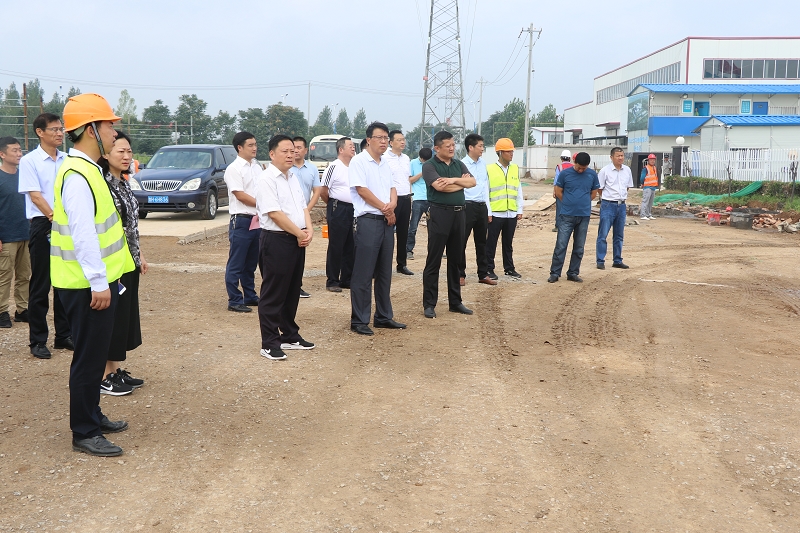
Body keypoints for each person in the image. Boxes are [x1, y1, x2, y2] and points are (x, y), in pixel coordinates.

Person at [53, 93, 135, 456]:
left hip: (97, 283)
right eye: (108, 126)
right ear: (90, 130)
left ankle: (93, 414)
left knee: (96, 351)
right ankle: (84, 431)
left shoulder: (89, 168)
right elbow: (84, 235)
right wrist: (99, 283)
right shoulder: (77, 175)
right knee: (88, 358)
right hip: (85, 286)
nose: (114, 133)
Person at [255, 135, 316, 360]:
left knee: (292, 290)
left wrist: (308, 230)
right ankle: (269, 342)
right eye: (285, 151)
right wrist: (300, 232)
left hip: (297, 239)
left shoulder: (292, 178)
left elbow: (303, 207)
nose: (291, 155)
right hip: (277, 239)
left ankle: (289, 335)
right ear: (272, 154)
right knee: (274, 292)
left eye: (293, 151)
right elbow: (274, 213)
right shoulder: (267, 179)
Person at [18, 113, 72, 359]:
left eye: (61, 129)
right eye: (54, 129)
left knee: (64, 281)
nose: (59, 133)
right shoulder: (30, 161)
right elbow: (35, 195)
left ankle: (64, 335)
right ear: (40, 132)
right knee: (41, 283)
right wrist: (53, 217)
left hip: (67, 224)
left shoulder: (67, 159)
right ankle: (38, 340)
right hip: (44, 223)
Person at [98, 131, 147, 396]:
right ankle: (104, 375)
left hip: (128, 261)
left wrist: (140, 256)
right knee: (110, 319)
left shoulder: (124, 183)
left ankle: (115, 370)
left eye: (129, 151)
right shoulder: (102, 185)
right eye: (121, 151)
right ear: (106, 153)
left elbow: (131, 227)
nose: (127, 156)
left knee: (123, 319)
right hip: (112, 263)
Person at [349, 122, 406, 335]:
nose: (384, 141)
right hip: (368, 221)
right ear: (369, 139)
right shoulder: (359, 161)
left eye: (385, 138)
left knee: (384, 272)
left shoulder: (385, 163)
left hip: (385, 222)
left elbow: (392, 188)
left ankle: (383, 316)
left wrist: (391, 206)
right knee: (363, 273)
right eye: (380, 137)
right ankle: (359, 320)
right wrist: (385, 208)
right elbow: (361, 190)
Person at [422, 130, 476, 318]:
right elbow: (438, 186)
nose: (452, 148)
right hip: (439, 214)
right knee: (434, 260)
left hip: (459, 215)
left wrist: (453, 180)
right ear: (437, 148)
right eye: (448, 146)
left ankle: (455, 302)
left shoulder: (458, 164)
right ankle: (429, 304)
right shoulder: (429, 166)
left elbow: (473, 182)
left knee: (455, 259)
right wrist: (462, 183)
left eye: (453, 144)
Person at [223, 131, 261, 313]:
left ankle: (250, 296)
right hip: (242, 220)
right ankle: (235, 300)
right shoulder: (234, 169)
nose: (255, 148)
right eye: (250, 145)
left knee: (251, 262)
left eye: (255, 144)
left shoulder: (257, 166)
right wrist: (264, 203)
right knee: (237, 263)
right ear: (240, 148)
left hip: (257, 220)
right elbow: (240, 195)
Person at [547, 152, 600, 284]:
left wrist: (582, 203)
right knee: (561, 245)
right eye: (579, 167)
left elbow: (594, 193)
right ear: (574, 162)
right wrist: (568, 202)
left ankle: (573, 272)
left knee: (579, 247)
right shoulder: (565, 174)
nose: (581, 170)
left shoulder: (592, 175)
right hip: (567, 215)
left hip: (583, 216)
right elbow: (558, 191)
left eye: (584, 168)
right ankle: (555, 273)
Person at [0, 137, 30, 329]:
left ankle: (22, 309)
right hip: (7, 236)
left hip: (26, 234)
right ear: (2, 154)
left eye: (20, 150)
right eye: (14, 150)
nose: (19, 154)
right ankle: (2, 311)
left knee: (25, 275)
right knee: (4, 275)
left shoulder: (25, 176)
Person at [459, 133, 495, 286]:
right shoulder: (461, 164)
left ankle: (483, 273)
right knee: (462, 241)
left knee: (482, 242)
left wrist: (489, 209)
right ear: (470, 147)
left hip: (481, 207)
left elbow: (485, 187)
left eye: (482, 145)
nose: (482, 149)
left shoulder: (483, 164)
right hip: (467, 206)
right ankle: (460, 274)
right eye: (480, 146)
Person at [321, 136, 356, 293]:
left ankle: (346, 279)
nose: (353, 148)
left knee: (351, 244)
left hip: (353, 209)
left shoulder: (354, 167)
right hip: (337, 208)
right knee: (336, 244)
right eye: (350, 146)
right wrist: (334, 204)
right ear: (341, 149)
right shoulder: (333, 167)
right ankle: (332, 280)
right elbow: (324, 191)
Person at [485, 138, 524, 279]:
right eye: (508, 151)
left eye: (512, 151)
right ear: (500, 152)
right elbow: (486, 192)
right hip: (496, 213)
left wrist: (519, 209)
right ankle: (489, 269)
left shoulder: (515, 168)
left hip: (511, 213)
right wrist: (488, 212)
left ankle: (509, 268)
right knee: (491, 243)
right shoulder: (489, 169)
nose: (511, 154)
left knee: (508, 243)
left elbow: (518, 189)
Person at [292, 136, 321, 298]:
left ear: (305, 150)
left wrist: (307, 210)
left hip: (304, 215)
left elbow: (317, 191)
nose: (295, 150)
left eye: (298, 147)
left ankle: (298, 285)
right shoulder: (286, 169)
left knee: (300, 250)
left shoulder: (312, 169)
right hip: (288, 216)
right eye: (293, 147)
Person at [596, 147, 632, 270]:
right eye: (618, 156)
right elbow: (599, 188)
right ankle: (600, 260)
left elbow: (627, 187)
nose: (620, 158)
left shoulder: (627, 170)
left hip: (621, 205)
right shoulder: (604, 171)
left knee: (619, 235)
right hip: (608, 205)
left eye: (622, 155)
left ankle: (617, 260)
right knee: (603, 234)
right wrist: (608, 198)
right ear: (611, 157)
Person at [406, 147, 431, 261]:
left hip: (431, 198)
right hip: (418, 198)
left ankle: (435, 251)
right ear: (420, 157)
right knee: (413, 226)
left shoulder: (432, 163)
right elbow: (410, 180)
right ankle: (409, 250)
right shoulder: (412, 163)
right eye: (423, 160)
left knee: (435, 227)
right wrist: (422, 173)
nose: (425, 162)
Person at [552, 150, 573, 232]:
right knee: (571, 208)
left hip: (561, 190)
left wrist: (555, 191)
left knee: (560, 208)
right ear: (569, 158)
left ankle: (558, 226)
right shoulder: (573, 166)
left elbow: (556, 181)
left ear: (561, 158)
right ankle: (570, 226)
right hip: (571, 191)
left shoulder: (559, 167)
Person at [640, 154, 659, 220]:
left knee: (650, 202)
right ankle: (643, 214)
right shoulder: (646, 168)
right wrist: (642, 183)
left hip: (653, 187)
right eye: (651, 160)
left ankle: (648, 214)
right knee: (645, 201)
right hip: (647, 187)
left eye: (653, 160)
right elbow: (642, 177)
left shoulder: (654, 168)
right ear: (648, 160)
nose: (652, 161)